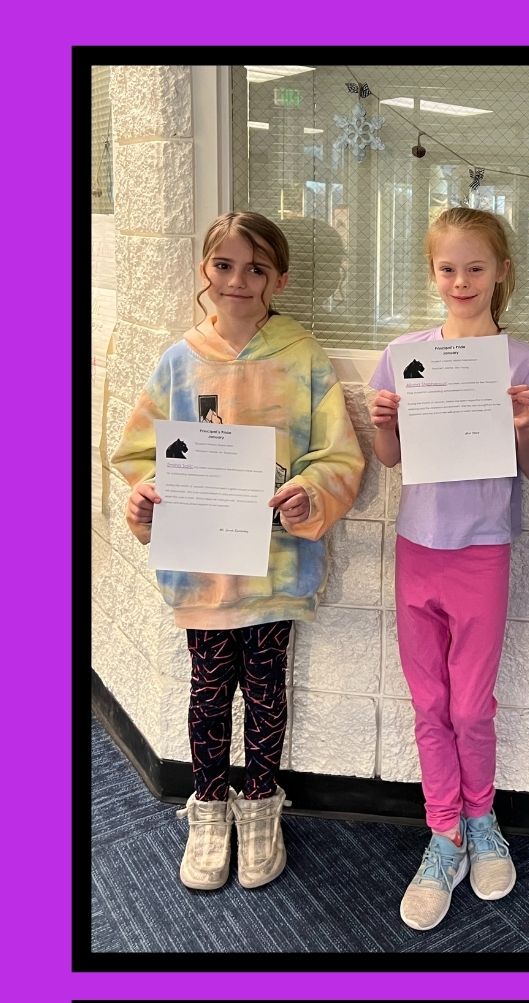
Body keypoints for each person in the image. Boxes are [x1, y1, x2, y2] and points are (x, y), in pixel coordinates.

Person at [113, 211, 367, 894]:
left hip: (276, 564)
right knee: (207, 691)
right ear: (206, 270)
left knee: (265, 691)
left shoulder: (302, 357)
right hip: (203, 567)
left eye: (256, 268)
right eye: (224, 265)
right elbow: (140, 452)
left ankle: (261, 808)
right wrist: (145, 495)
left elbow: (337, 453)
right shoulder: (178, 360)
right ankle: (208, 809)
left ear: (278, 278)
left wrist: (309, 490)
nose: (239, 280)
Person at [360, 207, 529, 931]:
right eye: (448, 268)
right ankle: (442, 834)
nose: (462, 281)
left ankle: (482, 820)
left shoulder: (520, 360)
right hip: (418, 548)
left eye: (476, 267)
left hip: (484, 549)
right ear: (432, 273)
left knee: (471, 706)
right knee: (429, 704)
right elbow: (390, 458)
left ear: (501, 271)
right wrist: (384, 419)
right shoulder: (406, 351)